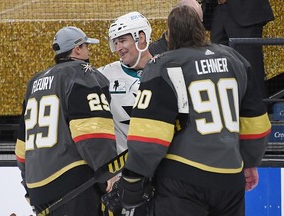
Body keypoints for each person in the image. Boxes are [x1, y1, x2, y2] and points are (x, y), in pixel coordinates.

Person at [102, 5, 271, 216]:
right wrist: (250, 163)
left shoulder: (163, 65)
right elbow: (258, 124)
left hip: (183, 181)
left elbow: (149, 138)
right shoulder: (235, 59)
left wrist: (133, 179)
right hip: (230, 179)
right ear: (200, 29)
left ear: (170, 35)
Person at [15, 26, 117, 216]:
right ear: (77, 49)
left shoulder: (33, 83)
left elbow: (22, 150)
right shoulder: (82, 73)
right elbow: (92, 133)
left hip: (37, 188)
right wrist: (109, 170)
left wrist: (29, 187)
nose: (88, 51)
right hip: (73, 185)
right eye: (86, 46)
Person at [98, 11, 153, 216]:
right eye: (116, 42)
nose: (118, 48)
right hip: (124, 177)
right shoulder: (103, 76)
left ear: (141, 37)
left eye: (123, 40)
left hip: (164, 174)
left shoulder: (167, 69)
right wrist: (107, 169)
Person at [207, 0, 274, 98]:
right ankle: (230, 107)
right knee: (219, 61)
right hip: (217, 9)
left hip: (246, 10)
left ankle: (257, 112)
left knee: (250, 66)